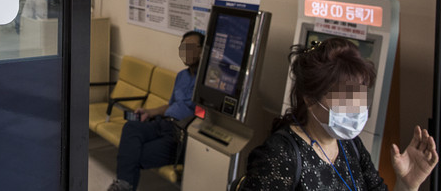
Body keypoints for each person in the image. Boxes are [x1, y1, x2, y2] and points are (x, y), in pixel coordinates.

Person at [237, 37, 438, 190]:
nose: (354, 106)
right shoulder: (280, 154)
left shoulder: (351, 145)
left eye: (358, 95)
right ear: (310, 99)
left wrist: (407, 184)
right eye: (344, 97)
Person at [107, 30, 204, 191]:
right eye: (184, 47)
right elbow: (171, 105)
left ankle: (123, 185)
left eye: (192, 47)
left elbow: (205, 115)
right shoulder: (181, 76)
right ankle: (124, 185)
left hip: (179, 135)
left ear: (203, 51)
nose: (187, 51)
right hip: (162, 123)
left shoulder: (207, 82)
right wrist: (150, 112)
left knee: (133, 155)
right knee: (131, 127)